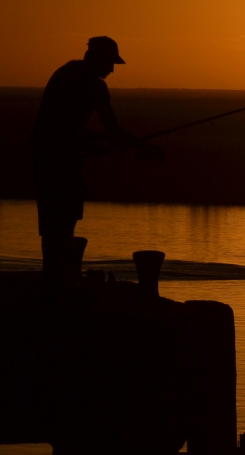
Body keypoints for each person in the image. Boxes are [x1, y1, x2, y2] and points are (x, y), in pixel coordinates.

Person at [31, 36, 164, 290]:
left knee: (53, 223)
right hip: (60, 161)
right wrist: (147, 147)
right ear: (99, 59)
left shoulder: (65, 73)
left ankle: (54, 279)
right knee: (64, 218)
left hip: (45, 157)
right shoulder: (93, 86)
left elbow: (62, 125)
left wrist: (96, 142)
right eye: (110, 63)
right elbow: (113, 129)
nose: (112, 70)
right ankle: (58, 285)